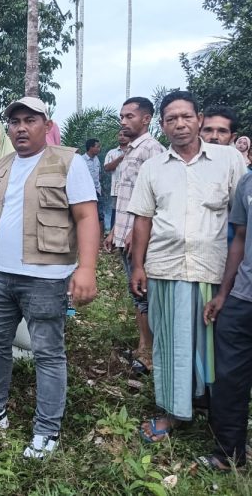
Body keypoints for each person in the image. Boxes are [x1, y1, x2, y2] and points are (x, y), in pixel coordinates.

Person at [0, 96, 99, 460]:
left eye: (30, 120)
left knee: (48, 353)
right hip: (1, 274)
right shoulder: (2, 165)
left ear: (46, 124)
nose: (21, 127)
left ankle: (46, 430)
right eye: (15, 121)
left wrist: (86, 269)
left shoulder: (68, 161)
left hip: (46, 277)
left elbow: (86, 217)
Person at [128, 91, 245, 443]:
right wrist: (138, 265)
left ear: (198, 118)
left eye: (185, 117)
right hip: (165, 268)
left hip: (214, 271)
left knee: (212, 348)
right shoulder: (153, 167)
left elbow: (243, 219)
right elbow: (143, 220)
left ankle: (213, 410)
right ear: (162, 126)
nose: (179, 124)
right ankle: (174, 411)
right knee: (171, 345)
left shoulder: (228, 160)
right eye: (171, 119)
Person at [103, 97, 165, 376]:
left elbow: (154, 200)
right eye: (122, 116)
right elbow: (127, 196)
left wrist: (137, 234)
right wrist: (116, 229)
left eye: (130, 116)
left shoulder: (152, 150)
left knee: (143, 293)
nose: (124, 122)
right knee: (136, 292)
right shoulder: (130, 151)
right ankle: (144, 346)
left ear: (146, 119)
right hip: (126, 231)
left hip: (139, 237)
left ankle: (149, 354)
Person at [200, 163, 252, 470]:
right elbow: (240, 239)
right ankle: (229, 452)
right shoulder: (247, 182)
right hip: (242, 296)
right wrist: (223, 293)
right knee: (229, 378)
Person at [103, 131, 129, 231]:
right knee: (116, 212)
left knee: (130, 213)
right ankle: (113, 238)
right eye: (120, 135)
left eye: (125, 135)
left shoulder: (136, 151)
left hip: (133, 189)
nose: (122, 137)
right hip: (117, 189)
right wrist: (120, 158)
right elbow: (107, 168)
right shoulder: (112, 153)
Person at [82, 138, 103, 226]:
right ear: (91, 147)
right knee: (87, 215)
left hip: (97, 191)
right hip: (86, 192)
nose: (99, 149)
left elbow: (99, 174)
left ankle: (100, 238)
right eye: (97, 147)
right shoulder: (81, 160)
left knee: (100, 216)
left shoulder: (97, 159)